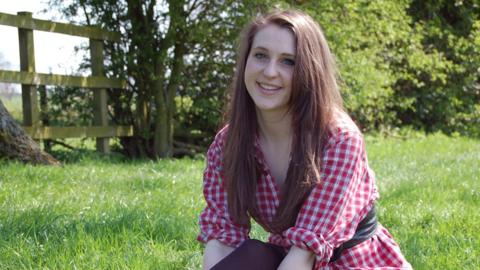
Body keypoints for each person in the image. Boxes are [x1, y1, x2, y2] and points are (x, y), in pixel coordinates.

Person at [197, 9, 412, 270]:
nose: (270, 72)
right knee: (252, 255)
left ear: (310, 70)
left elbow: (303, 256)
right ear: (245, 61)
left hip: (350, 262)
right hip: (286, 256)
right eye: (261, 56)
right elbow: (222, 238)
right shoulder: (228, 144)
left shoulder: (338, 138)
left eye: (288, 61)